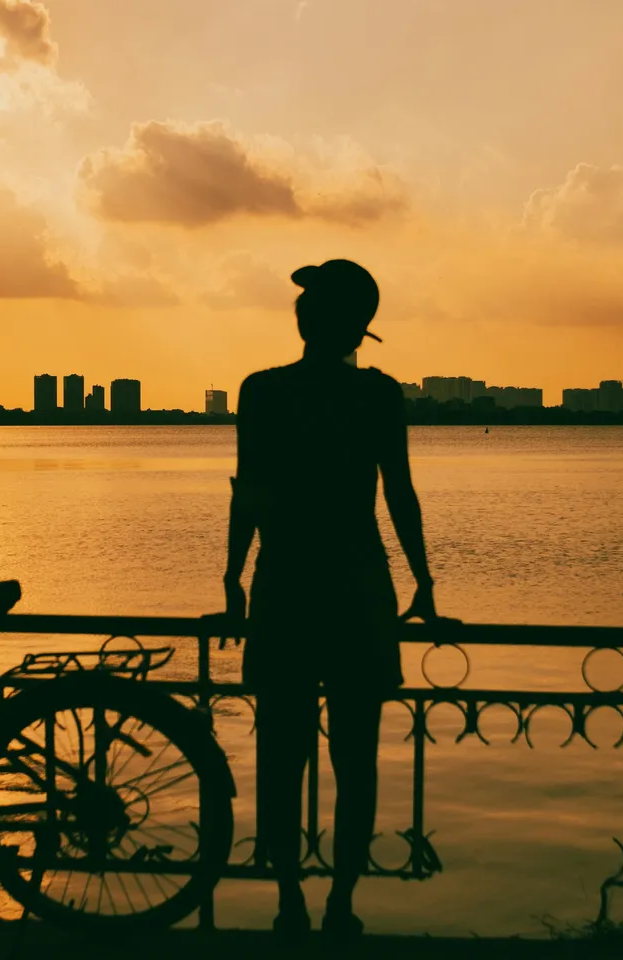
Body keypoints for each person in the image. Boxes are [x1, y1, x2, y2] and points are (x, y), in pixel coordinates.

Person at [221, 258, 440, 937]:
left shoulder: (262, 391)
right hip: (357, 588)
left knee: (281, 757)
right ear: (358, 329)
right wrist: (424, 581)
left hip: (284, 586)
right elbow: (398, 492)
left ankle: (289, 899)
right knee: (356, 760)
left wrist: (232, 579)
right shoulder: (378, 395)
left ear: (307, 322)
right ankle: (342, 902)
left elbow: (250, 492)